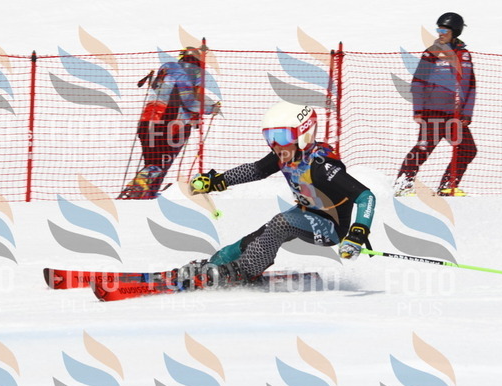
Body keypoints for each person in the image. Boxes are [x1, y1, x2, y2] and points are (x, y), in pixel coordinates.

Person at [177, 101, 376, 287]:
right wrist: (218, 180)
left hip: (330, 227)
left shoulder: (321, 167)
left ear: (304, 135)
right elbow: (255, 170)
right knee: (254, 240)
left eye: (282, 137)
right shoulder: (286, 154)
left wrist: (357, 233)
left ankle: (244, 271)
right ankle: (215, 264)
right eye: (270, 137)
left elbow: (366, 197)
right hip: (305, 213)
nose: (275, 144)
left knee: (280, 223)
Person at [119, 47, 221, 199]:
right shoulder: (186, 74)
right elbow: (189, 101)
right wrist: (210, 109)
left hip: (147, 123)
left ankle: (143, 192)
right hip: (166, 124)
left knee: (153, 163)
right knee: (157, 165)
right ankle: (137, 188)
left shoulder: (167, 71)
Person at [393, 12, 477, 197]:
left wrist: (467, 113)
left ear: (455, 32)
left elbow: (471, 87)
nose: (440, 33)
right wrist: (418, 110)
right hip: (433, 112)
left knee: (467, 149)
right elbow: (418, 83)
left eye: (444, 30)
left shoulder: (464, 55)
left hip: (455, 115)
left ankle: (448, 186)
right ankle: (403, 184)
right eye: (439, 30)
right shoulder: (431, 52)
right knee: (423, 148)